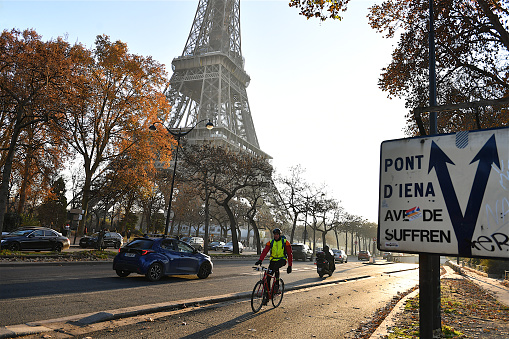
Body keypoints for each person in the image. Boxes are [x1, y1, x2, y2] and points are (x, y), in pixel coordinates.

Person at [255, 228, 293, 304]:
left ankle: (277, 285)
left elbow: (289, 254)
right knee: (267, 278)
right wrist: (260, 260)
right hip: (273, 261)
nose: (275, 236)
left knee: (276, 268)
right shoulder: (271, 242)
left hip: (282, 260)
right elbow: (265, 251)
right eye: (274, 234)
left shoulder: (285, 242)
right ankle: (267, 296)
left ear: (279, 235)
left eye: (277, 234)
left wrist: (290, 266)